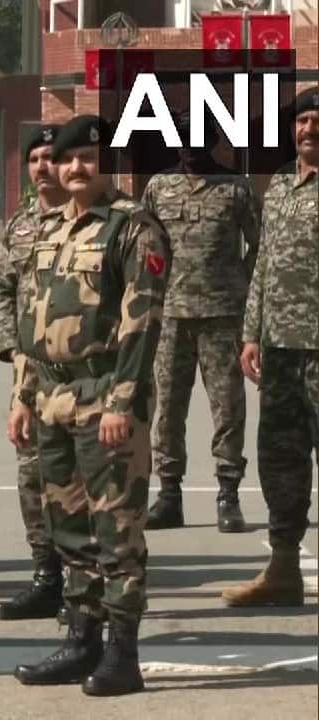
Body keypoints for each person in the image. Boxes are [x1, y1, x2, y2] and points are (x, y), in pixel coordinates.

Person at [9, 115, 168, 697]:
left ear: (110, 164)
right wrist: (24, 395)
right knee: (69, 528)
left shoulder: (134, 229)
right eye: (67, 158)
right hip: (52, 398)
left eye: (89, 159)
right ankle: (82, 641)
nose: (76, 168)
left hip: (105, 398)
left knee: (116, 530)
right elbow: (33, 322)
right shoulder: (49, 229)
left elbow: (142, 324)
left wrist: (122, 403)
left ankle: (123, 655)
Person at [221, 86, 319, 608]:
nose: (308, 129)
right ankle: (283, 570)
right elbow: (262, 263)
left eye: (316, 121)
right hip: (281, 351)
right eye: (302, 121)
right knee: (280, 460)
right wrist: (252, 331)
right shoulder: (279, 184)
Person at [142, 111, 260, 532]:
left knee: (227, 408)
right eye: (181, 138)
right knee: (168, 408)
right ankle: (169, 495)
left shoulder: (235, 188)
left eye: (197, 138)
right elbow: (145, 247)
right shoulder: (158, 187)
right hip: (170, 317)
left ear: (214, 140)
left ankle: (228, 494)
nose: (189, 146)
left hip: (222, 317)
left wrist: (239, 282)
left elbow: (258, 246)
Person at [0, 124, 69, 620]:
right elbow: (0, 290)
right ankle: (46, 575)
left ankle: (88, 584)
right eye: (35, 158)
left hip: (82, 373)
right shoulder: (19, 227)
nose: (42, 167)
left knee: (80, 478)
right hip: (29, 373)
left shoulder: (101, 222)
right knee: (31, 475)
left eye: (50, 157)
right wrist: (11, 349)